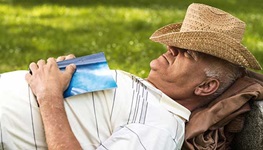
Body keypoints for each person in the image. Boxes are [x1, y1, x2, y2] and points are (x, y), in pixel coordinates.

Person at [0, 3, 262, 150]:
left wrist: (49, 96)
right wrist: (62, 72)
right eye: (175, 44)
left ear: (205, 86)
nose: (171, 49)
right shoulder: (145, 92)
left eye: (187, 53)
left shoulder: (162, 126)